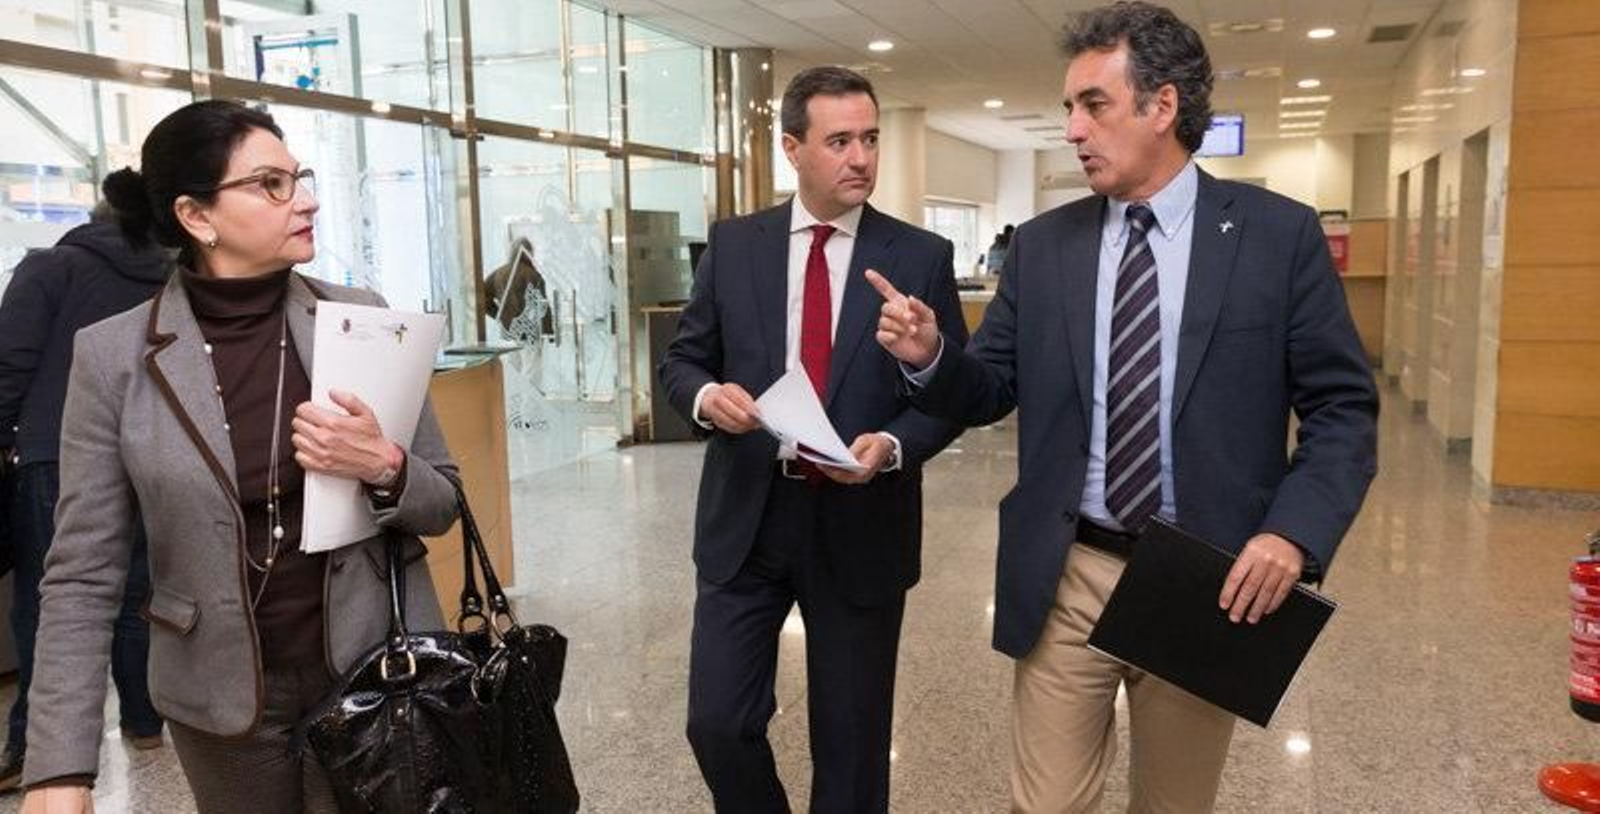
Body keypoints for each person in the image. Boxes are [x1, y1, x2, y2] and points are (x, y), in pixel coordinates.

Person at [868, 3, 1379, 811]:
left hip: (1203, 575)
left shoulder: (1275, 238)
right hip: (1070, 564)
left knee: (1172, 803)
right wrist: (933, 355)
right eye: (1069, 107)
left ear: (1162, 106)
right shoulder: (1043, 247)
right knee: (1046, 804)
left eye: (1093, 104)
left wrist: (1291, 533)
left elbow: (1343, 411)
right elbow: (991, 387)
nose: (1072, 128)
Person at [18, 100, 460, 814]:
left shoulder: (362, 320)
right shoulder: (113, 358)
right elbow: (82, 573)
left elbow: (441, 502)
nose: (306, 199)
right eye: (271, 184)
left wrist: (382, 462)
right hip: (217, 696)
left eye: (300, 177)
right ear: (197, 217)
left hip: (371, 671)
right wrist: (58, 767)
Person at [659, 66, 968, 813]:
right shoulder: (736, 246)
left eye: (869, 139)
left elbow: (954, 391)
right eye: (839, 141)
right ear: (793, 148)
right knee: (717, 724)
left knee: (853, 747)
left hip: (861, 522)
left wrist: (891, 446)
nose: (860, 157)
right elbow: (683, 359)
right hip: (749, 520)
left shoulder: (918, 255)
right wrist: (707, 398)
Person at [0, 203, 172, 791]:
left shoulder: (49, 267)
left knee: (54, 598)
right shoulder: (169, 274)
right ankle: (145, 720)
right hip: (152, 448)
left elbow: (10, 362)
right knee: (134, 592)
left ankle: (30, 749)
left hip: (55, 450)